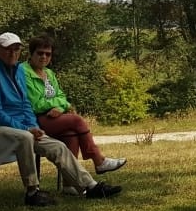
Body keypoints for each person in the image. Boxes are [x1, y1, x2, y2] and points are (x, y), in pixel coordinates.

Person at [0, 32, 122, 206]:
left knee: (57, 146)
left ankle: (90, 187)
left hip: (19, 128)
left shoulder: (18, 70)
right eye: (7, 49)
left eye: (16, 49)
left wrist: (34, 126)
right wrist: (27, 129)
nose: (13, 53)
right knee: (26, 137)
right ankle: (32, 192)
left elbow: (25, 104)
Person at [20, 35, 125, 176]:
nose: (44, 57)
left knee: (71, 134)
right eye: (40, 53)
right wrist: (57, 104)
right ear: (31, 53)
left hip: (53, 116)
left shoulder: (49, 73)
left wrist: (59, 108)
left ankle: (70, 183)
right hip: (34, 120)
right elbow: (35, 104)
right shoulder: (23, 72)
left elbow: (62, 97)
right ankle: (98, 160)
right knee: (76, 120)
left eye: (48, 54)